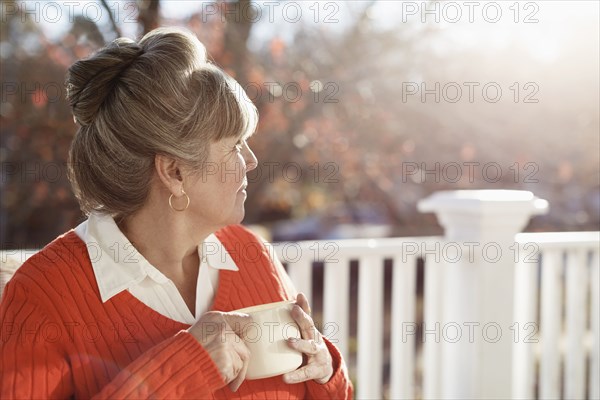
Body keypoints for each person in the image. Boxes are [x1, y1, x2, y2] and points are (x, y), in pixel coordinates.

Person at [0, 27, 353, 399]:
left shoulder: (253, 255)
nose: (251, 161)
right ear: (174, 172)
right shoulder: (44, 294)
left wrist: (324, 372)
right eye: (233, 146)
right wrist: (184, 368)